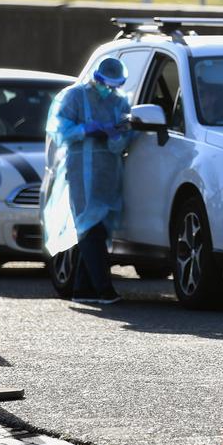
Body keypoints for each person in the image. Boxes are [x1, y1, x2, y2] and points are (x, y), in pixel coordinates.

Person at [43, 58, 133, 304]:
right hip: (81, 171)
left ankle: (83, 290)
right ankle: (105, 289)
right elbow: (58, 127)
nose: (109, 90)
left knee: (98, 229)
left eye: (114, 86)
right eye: (106, 84)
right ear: (97, 77)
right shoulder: (74, 97)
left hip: (108, 173)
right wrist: (85, 129)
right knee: (89, 228)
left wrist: (116, 134)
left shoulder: (119, 101)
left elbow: (123, 139)